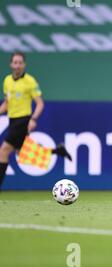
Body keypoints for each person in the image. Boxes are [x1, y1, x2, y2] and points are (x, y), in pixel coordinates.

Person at [0, 52, 72, 190]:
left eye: (20, 63)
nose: (17, 66)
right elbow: (7, 103)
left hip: (23, 120)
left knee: (3, 151)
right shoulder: (7, 80)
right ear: (11, 64)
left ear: (24, 65)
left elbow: (40, 103)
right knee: (21, 153)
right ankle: (58, 151)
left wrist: (33, 119)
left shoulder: (30, 81)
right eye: (15, 62)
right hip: (12, 120)